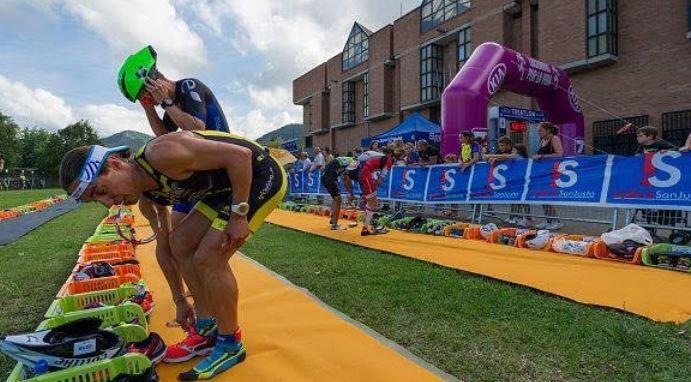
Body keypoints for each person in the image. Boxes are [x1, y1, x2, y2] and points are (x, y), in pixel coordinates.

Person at [59, 130, 286, 380]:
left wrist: (239, 215)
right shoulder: (146, 197)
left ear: (114, 164)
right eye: (97, 200)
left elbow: (241, 156)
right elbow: (166, 246)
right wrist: (180, 300)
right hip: (223, 191)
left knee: (209, 257)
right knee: (181, 242)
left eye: (102, 190)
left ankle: (231, 343)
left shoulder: (163, 154)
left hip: (258, 175)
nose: (108, 203)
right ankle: (206, 328)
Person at [117, 45, 233, 364]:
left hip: (222, 171)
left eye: (146, 94)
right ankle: (200, 313)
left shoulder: (188, 87)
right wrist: (150, 109)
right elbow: (162, 133)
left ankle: (216, 316)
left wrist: (166, 100)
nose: (148, 99)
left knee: (207, 254)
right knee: (179, 243)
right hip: (196, 179)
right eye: (143, 98)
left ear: (153, 78)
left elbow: (196, 128)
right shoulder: (166, 107)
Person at [358, 147, 405, 236]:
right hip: (366, 173)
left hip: (364, 172)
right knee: (373, 202)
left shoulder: (384, 158)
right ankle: (365, 228)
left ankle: (366, 227)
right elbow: (380, 179)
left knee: (372, 202)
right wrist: (374, 190)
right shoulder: (389, 161)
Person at [487, 137, 532, 226]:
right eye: (499, 145)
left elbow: (510, 157)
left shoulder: (516, 153)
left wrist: (497, 158)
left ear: (508, 145)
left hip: (520, 178)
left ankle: (528, 217)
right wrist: (493, 159)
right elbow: (492, 159)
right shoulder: (500, 152)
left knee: (523, 198)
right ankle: (514, 216)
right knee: (513, 198)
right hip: (510, 179)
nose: (500, 147)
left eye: (502, 145)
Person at [533, 122, 564, 230]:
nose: (538, 133)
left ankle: (556, 220)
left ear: (548, 130)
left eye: (540, 131)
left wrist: (542, 156)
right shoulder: (542, 141)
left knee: (547, 196)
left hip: (552, 171)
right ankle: (548, 219)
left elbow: (559, 154)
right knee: (541, 196)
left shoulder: (554, 139)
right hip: (542, 172)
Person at [320, 157, 358, 230]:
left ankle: (333, 219)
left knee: (335, 199)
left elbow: (345, 179)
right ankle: (335, 225)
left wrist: (351, 193)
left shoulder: (346, 161)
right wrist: (352, 194)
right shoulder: (352, 162)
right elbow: (346, 180)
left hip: (325, 177)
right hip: (330, 178)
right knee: (338, 200)